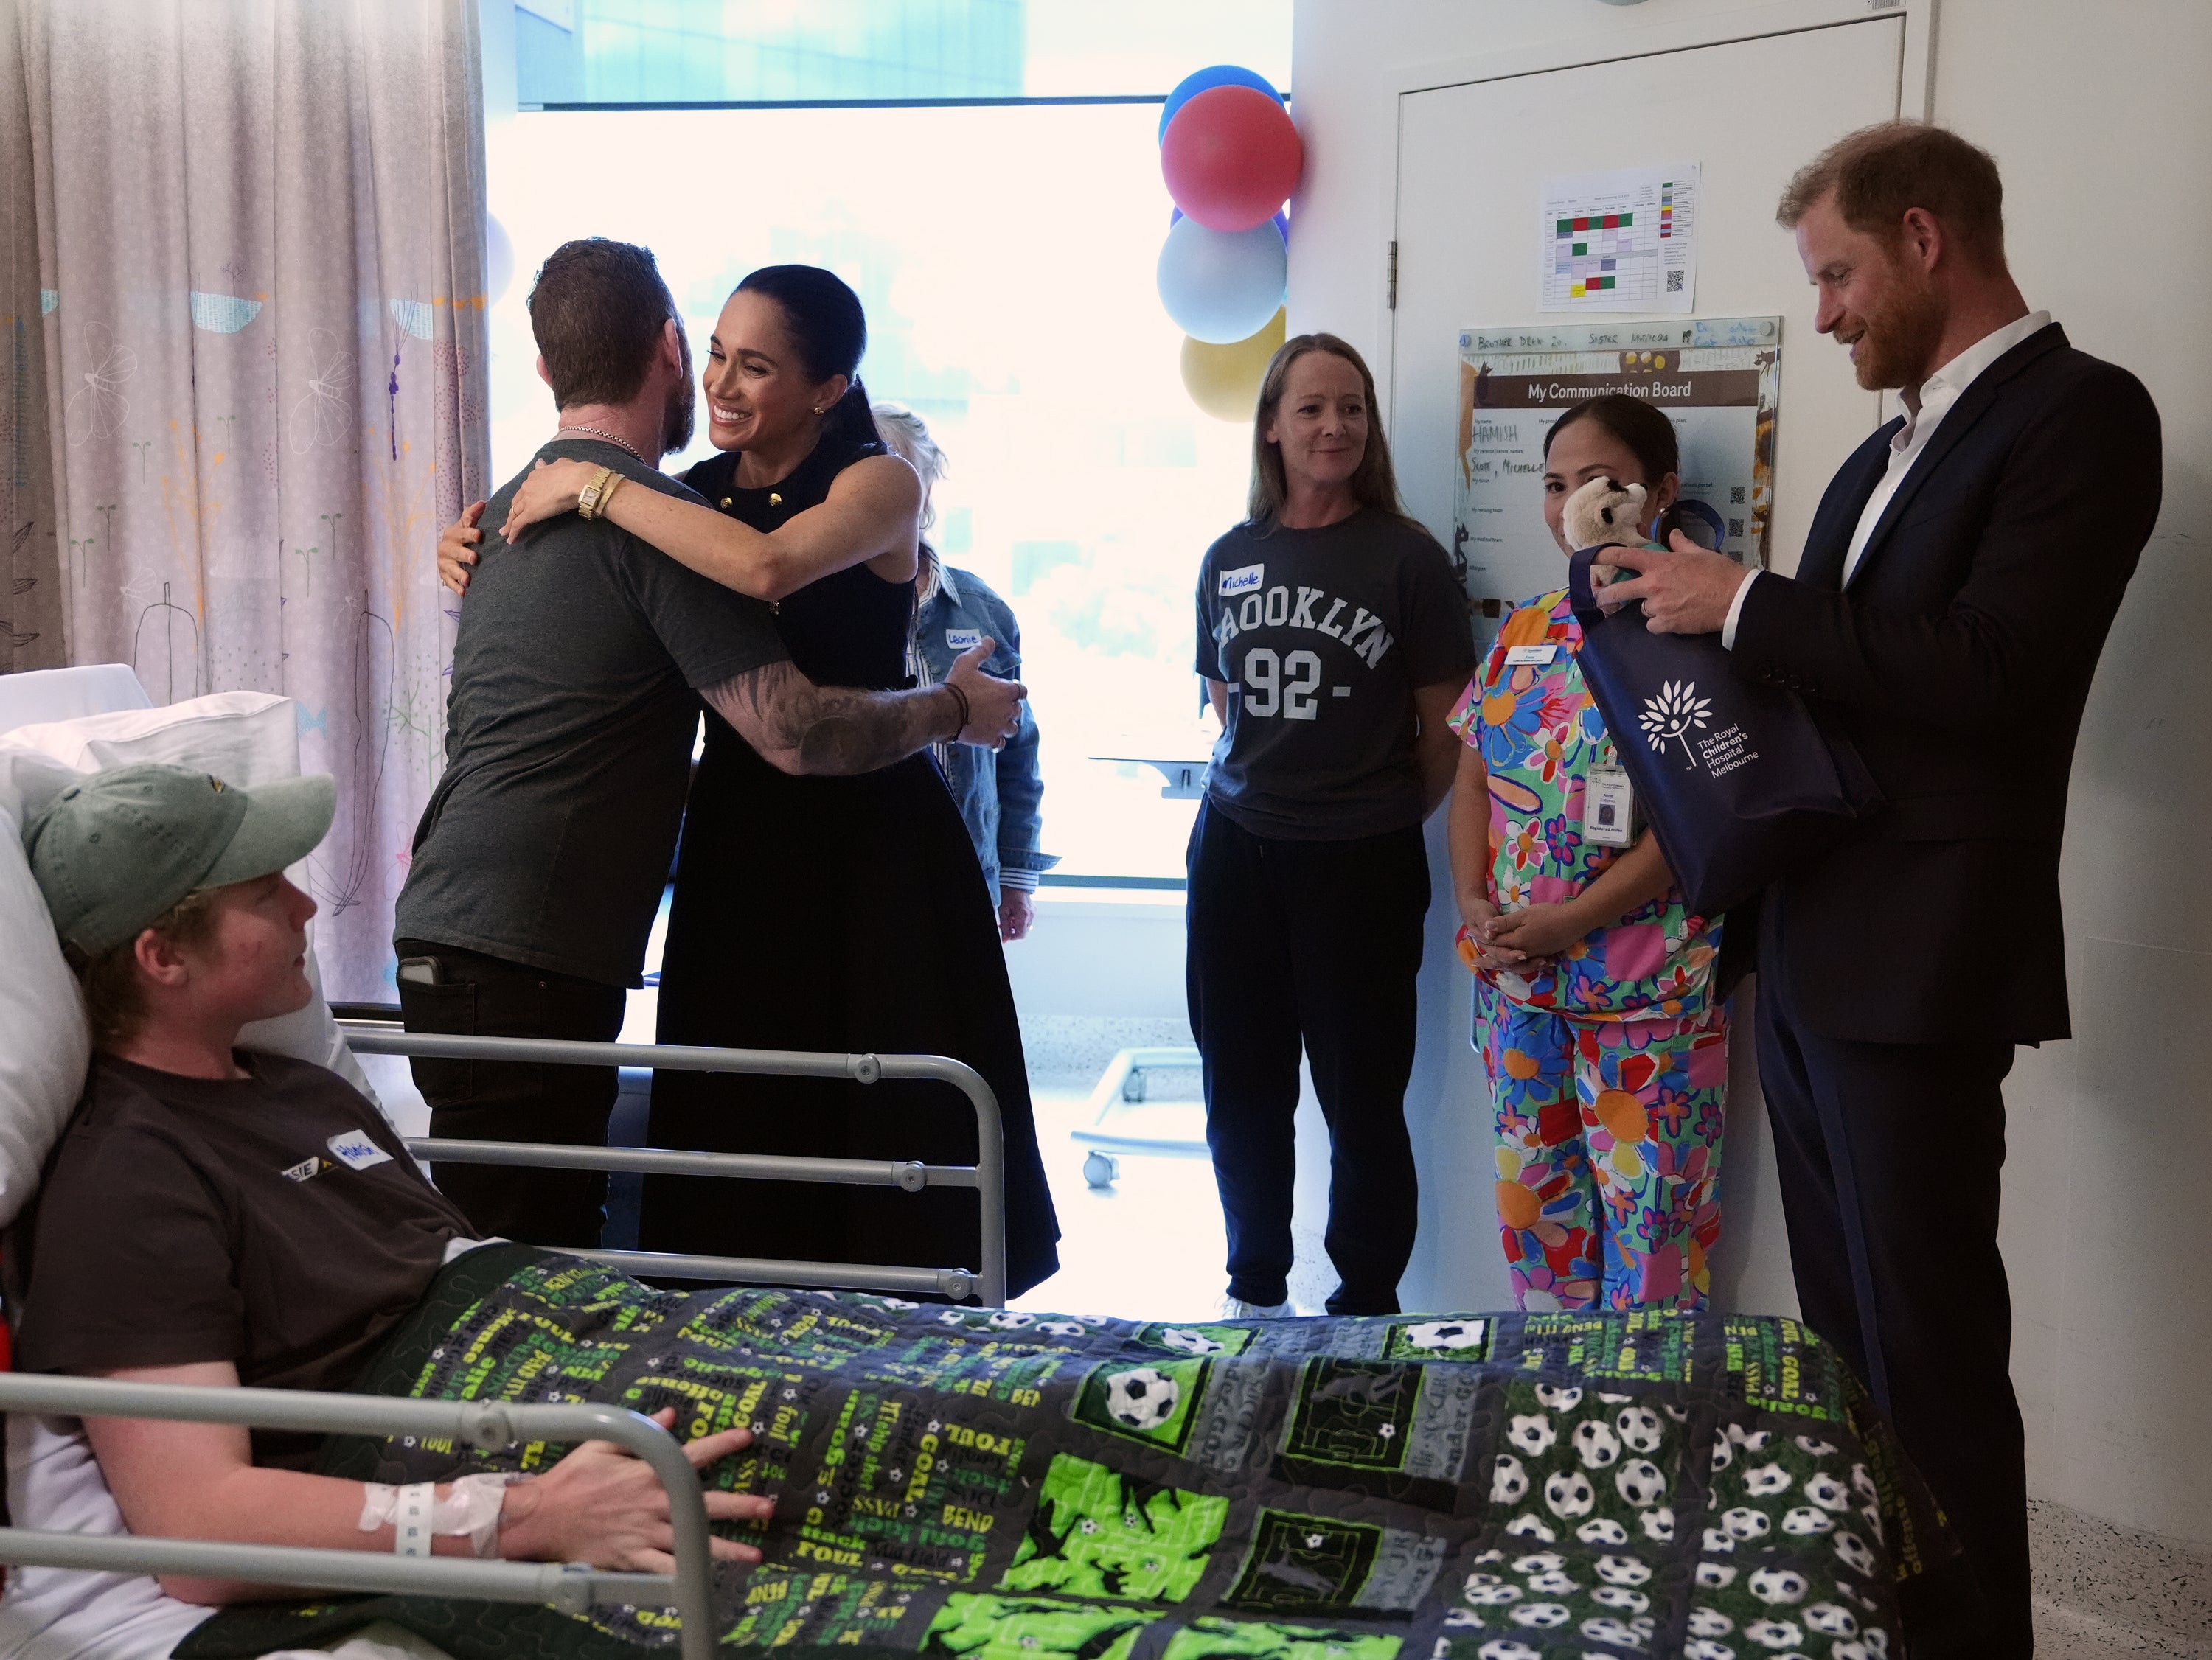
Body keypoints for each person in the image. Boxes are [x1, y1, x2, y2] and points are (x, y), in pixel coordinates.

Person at [1598, 122, 2163, 1653]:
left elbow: (1991, 674)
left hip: (1921, 959)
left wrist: (1754, 602)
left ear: (1926, 238)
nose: (1830, 311)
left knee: (1930, 1355)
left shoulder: (2085, 415)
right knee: (1851, 1350)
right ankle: (1889, 1621)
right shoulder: (1879, 451)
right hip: (1811, 945)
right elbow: (1827, 693)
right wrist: (1679, 624)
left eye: (1838, 273)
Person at [7, 763, 771, 1660]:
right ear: (162, 955)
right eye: (266, 891)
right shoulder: (126, 1177)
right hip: (523, 1439)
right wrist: (525, 1515)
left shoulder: (302, 1090)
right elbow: (196, 1522)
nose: (305, 909)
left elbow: (456, 1268)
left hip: (606, 1354)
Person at [397, 240, 1026, 1256]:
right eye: (717, 355)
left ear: (830, 388)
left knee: (888, 1156)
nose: (723, 384)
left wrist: (592, 487)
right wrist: (484, 531)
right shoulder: (682, 497)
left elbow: (770, 568)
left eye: (757, 365)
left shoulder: (874, 483)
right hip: (740, 856)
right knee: (732, 1166)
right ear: (677, 348)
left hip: (865, 846)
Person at [1187, 332, 1477, 1319]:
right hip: (1235, 855)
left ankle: (1363, 1301)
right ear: (1272, 424)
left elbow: (1449, 729)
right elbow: (1228, 704)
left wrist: (1370, 810)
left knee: (1362, 1103)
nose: (1335, 426)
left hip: (1359, 864)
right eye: (1311, 407)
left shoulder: (1408, 559)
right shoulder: (1229, 556)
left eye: (1351, 407)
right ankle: (1254, 1288)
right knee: (1242, 1088)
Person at [1446, 394, 1728, 1314]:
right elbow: (1474, 775)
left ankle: (1648, 1434)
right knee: (1540, 1220)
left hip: (1643, 994)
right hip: (1519, 990)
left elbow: (1702, 822)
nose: (1570, 503)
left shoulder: (1698, 637)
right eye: (1555, 483)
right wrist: (1474, 903)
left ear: (1660, 490)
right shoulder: (1523, 634)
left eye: (1595, 482)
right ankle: (1551, 1424)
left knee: (1652, 1231)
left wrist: (1571, 920)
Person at [874, 400, 1059, 943]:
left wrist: (1018, 878)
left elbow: (1018, 752)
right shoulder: (820, 606)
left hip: (964, 875)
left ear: (927, 489)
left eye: (899, 472)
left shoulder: (983, 610)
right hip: (861, 876)